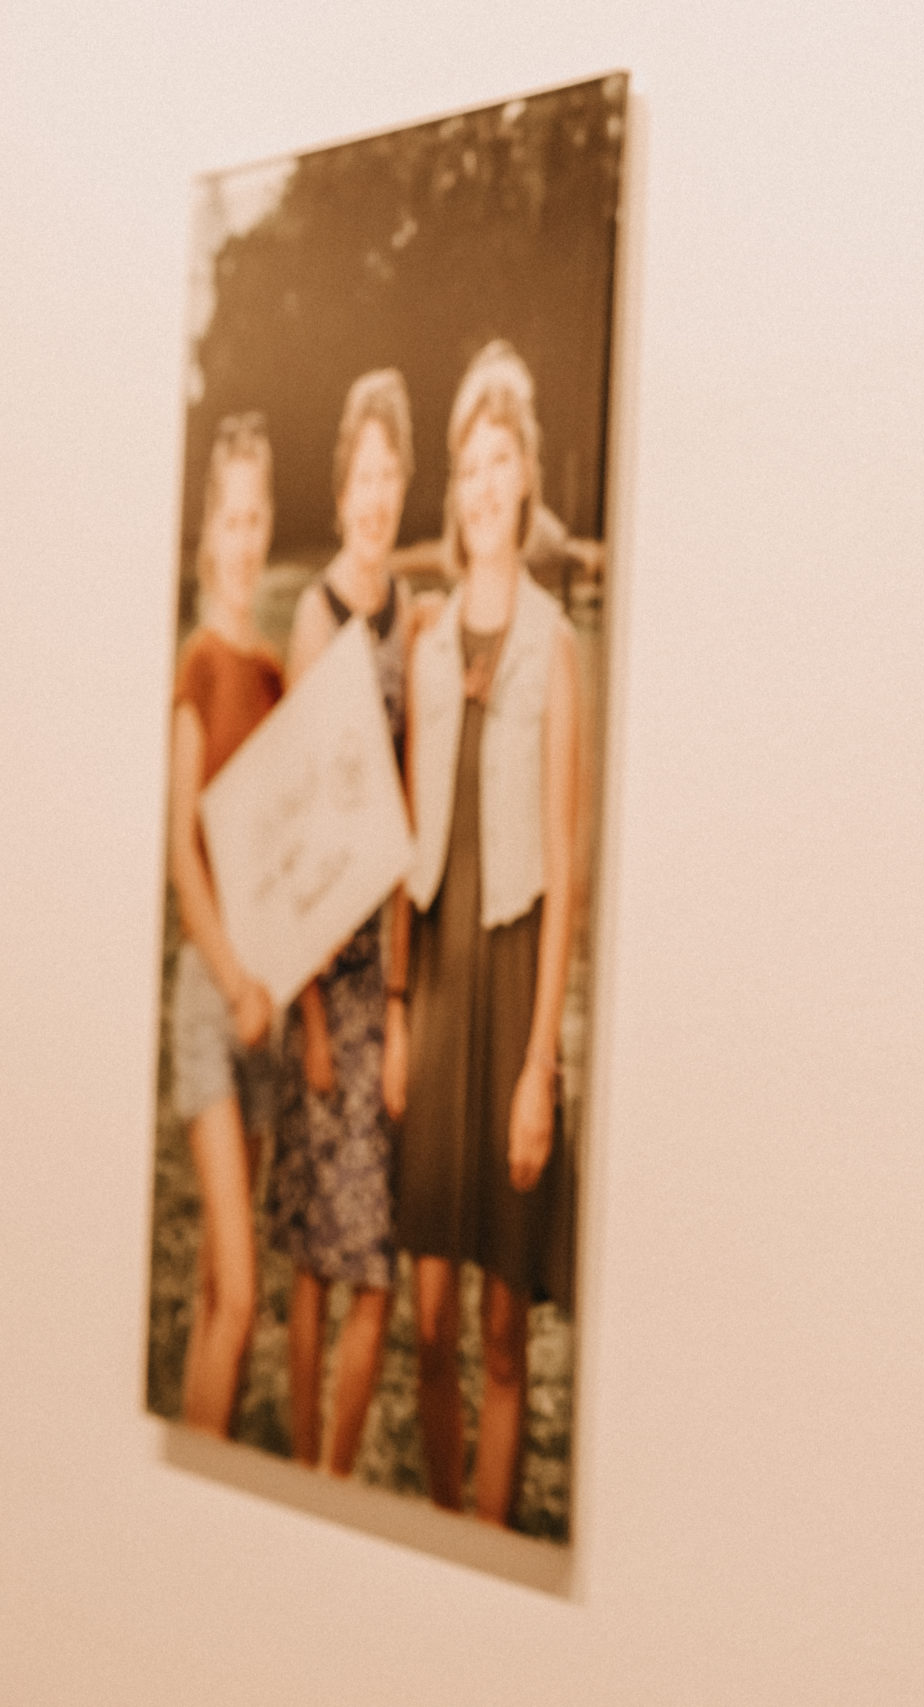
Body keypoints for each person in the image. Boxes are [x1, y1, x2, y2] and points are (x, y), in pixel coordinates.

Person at [390, 341, 580, 1525]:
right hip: (441, 981)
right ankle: (438, 1536)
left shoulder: (558, 645)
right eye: (467, 466)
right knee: (426, 1321)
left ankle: (493, 1547)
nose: (483, 486)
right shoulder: (423, 641)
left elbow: (564, 867)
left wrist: (539, 1069)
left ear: (525, 481)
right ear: (455, 493)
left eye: (500, 462)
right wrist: (402, 1016)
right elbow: (407, 833)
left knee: (501, 1324)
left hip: (510, 987)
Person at [267, 369, 431, 1474]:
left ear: (403, 486)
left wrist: (403, 1009)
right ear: (340, 493)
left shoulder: (411, 618)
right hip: (325, 976)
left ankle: (335, 1475)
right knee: (316, 1258)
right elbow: (291, 829)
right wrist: (318, 1013)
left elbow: (414, 808)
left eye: (390, 475)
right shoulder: (312, 618)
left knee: (370, 1254)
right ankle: (293, 1473)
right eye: (359, 475)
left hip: (389, 978)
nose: (374, 496)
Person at [165, 413, 286, 1438]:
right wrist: (237, 979)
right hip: (214, 998)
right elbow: (181, 854)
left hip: (267, 1008)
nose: (243, 539)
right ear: (208, 532)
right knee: (244, 1299)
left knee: (218, 1290)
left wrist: (273, 983)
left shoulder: (278, 672)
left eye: (258, 518)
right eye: (229, 518)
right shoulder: (200, 665)